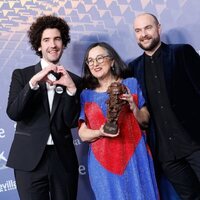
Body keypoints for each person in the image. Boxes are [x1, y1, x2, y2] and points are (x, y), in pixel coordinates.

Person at [6, 15, 82, 200]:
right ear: (39, 46)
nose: (53, 44)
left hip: (62, 160)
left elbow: (72, 122)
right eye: (46, 40)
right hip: (29, 160)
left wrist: (71, 90)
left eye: (57, 39)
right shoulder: (23, 76)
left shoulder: (75, 81)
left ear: (63, 44)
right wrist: (33, 83)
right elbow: (14, 113)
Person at [127, 12, 200, 200]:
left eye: (148, 28)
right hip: (167, 155)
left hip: (195, 142)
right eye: (138, 30)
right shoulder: (133, 68)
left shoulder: (182, 53)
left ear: (159, 28)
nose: (143, 34)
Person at [78, 42, 159, 200]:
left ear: (112, 61)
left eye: (100, 58)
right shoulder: (85, 95)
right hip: (103, 166)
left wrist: (133, 106)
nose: (95, 64)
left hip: (136, 158)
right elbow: (83, 134)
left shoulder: (131, 84)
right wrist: (100, 132)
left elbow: (145, 121)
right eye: (91, 60)